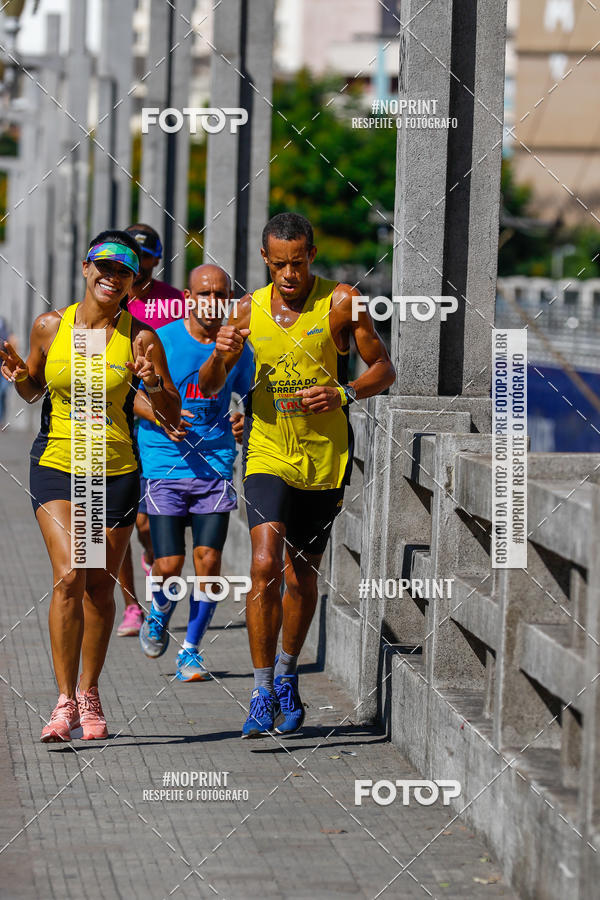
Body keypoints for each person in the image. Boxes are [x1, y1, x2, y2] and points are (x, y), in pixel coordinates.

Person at [198, 212, 396, 737]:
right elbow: (211, 385)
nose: (289, 274)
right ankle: (261, 689)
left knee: (301, 574)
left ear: (312, 254)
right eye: (279, 264)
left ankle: (287, 673)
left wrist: (344, 392)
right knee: (264, 563)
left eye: (298, 263)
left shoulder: (342, 302)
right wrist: (220, 355)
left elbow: (384, 370)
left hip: (324, 458)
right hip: (266, 452)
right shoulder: (246, 310)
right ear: (265, 259)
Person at [0, 231, 181, 742]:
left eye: (124, 271)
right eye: (104, 266)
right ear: (86, 268)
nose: (112, 277)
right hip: (58, 464)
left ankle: (89, 692)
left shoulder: (141, 338)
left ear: (133, 283)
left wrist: (152, 382)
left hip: (114, 468)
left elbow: (170, 414)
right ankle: (63, 703)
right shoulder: (50, 326)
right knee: (69, 575)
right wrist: (18, 376)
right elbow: (35, 389)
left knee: (100, 585)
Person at [136, 264, 253, 682]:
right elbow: (132, 399)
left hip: (215, 464)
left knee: (209, 561)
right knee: (169, 564)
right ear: (188, 298)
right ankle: (159, 610)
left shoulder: (239, 348)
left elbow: (250, 397)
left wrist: (242, 419)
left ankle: (191, 650)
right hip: (164, 463)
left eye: (221, 294)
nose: (213, 302)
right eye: (205, 293)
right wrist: (161, 416)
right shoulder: (161, 340)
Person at [115, 223, 186, 637]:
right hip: (119, 422)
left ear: (157, 259)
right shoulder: (109, 296)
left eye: (145, 257)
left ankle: (152, 564)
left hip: (160, 419)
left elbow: (196, 350)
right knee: (119, 524)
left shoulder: (175, 303)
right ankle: (131, 606)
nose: (138, 265)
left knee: (144, 526)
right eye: (132, 257)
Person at [0, 315, 17, 424]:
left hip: (5, 366)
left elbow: (13, 341)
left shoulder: (3, 323)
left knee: (2, 393)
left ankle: (1, 420)